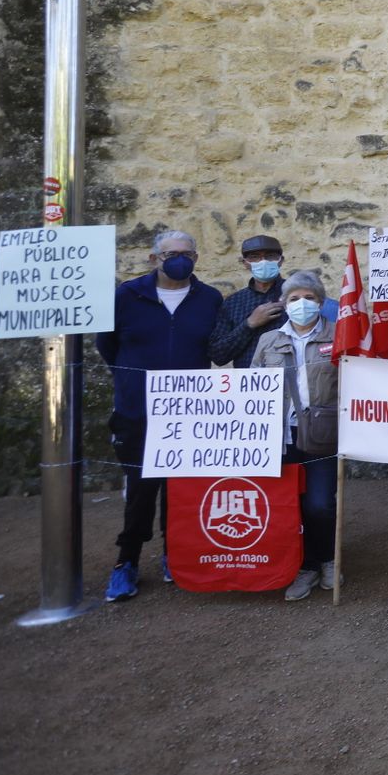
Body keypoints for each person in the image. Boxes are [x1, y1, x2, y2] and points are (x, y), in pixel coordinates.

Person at [96, 230, 223, 602]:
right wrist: (130, 381)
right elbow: (108, 344)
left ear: (196, 258)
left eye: (187, 253)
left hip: (189, 411)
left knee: (182, 489)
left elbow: (214, 347)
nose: (179, 259)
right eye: (170, 253)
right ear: (154, 258)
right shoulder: (126, 296)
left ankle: (176, 555)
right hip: (137, 411)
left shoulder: (209, 299)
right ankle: (127, 562)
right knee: (140, 489)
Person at [252, 271, 341, 601]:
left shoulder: (339, 335)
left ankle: (329, 561)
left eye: (309, 298)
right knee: (289, 506)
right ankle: (305, 567)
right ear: (284, 304)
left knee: (319, 503)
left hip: (323, 433)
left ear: (320, 301)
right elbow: (253, 387)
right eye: (293, 299)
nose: (301, 304)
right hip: (280, 435)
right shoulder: (268, 341)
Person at [208, 234, 286, 368]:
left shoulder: (296, 296)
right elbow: (218, 355)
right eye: (255, 257)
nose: (263, 261)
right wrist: (249, 324)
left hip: (289, 381)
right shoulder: (233, 303)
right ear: (245, 263)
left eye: (270, 256)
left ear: (280, 260)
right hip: (248, 384)